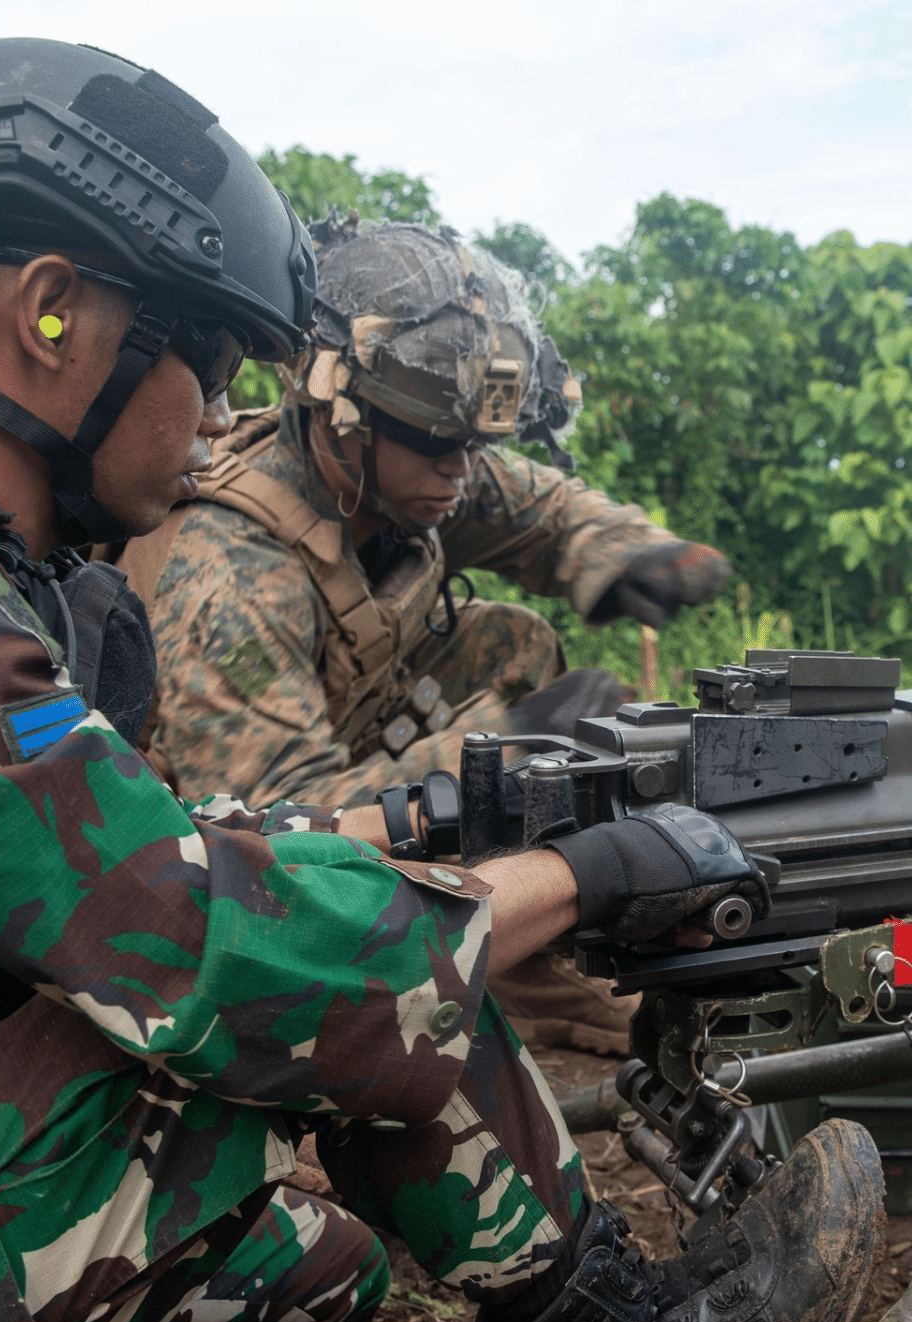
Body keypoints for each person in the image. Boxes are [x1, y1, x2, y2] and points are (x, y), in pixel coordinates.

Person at [0, 38, 882, 1322]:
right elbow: (193, 937)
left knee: (309, 1281)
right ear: (51, 314)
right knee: (297, 995)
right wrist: (584, 876)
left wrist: (447, 830)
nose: (218, 417)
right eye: (204, 358)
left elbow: (170, 847)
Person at [122, 215, 732, 1055]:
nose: (460, 468)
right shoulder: (232, 567)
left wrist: (627, 552)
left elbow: (542, 507)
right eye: (439, 443)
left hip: (336, 727)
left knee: (506, 642)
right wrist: (517, 750)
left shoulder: (411, 468)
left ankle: (518, 954)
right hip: (215, 838)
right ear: (343, 418)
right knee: (516, 727)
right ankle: (444, 951)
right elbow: (278, 828)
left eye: (473, 446)